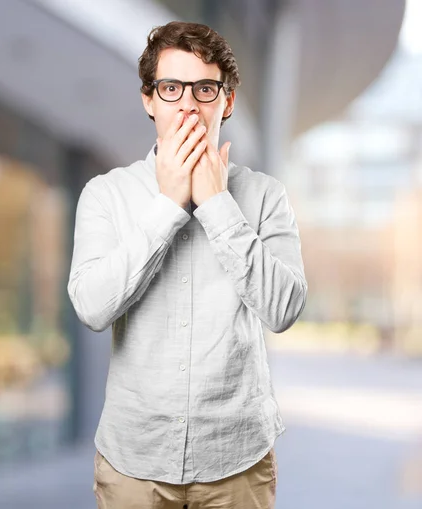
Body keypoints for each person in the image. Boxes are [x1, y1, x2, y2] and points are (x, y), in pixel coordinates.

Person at [67, 20, 307, 509]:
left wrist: (217, 205)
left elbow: (284, 310)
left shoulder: (264, 196)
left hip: (237, 458)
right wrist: (169, 204)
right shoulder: (105, 194)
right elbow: (91, 308)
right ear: (149, 100)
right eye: (172, 88)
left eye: (204, 88)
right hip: (134, 458)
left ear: (228, 100)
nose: (188, 105)